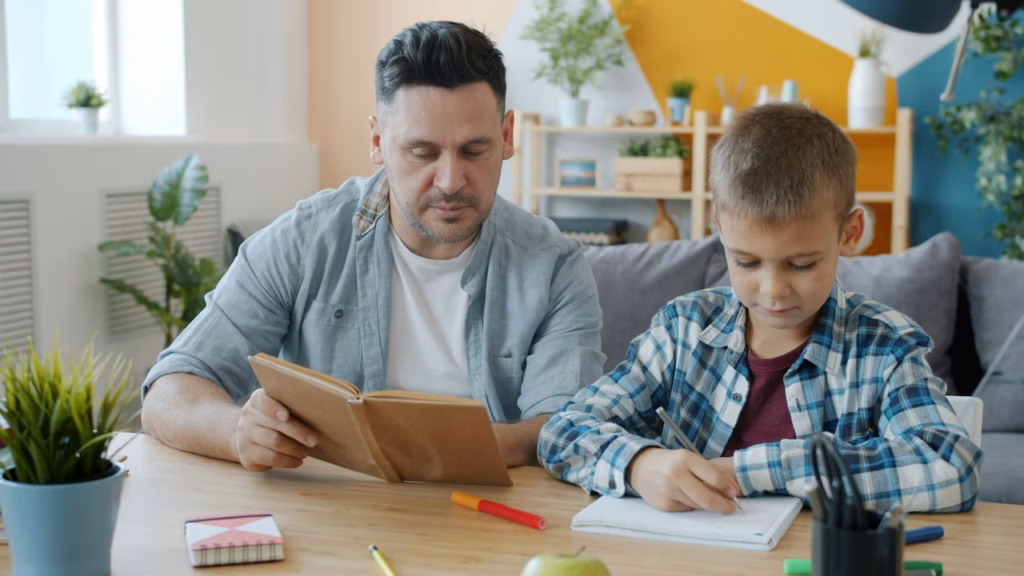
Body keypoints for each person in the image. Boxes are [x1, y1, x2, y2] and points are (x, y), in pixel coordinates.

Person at [141, 21, 605, 472]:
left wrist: (428, 449)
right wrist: (236, 430)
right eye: (422, 153)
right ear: (379, 141)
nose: (450, 181)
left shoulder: (555, 267)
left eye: (473, 151)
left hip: (494, 518)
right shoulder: (304, 240)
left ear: (506, 137)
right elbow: (169, 392)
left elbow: (562, 427)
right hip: (333, 516)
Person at [537, 103, 982, 515]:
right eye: (746, 262)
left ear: (850, 234)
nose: (773, 291)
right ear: (720, 229)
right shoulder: (683, 331)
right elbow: (561, 431)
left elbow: (951, 465)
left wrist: (750, 470)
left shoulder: (885, 346)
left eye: (801, 264)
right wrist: (639, 464)